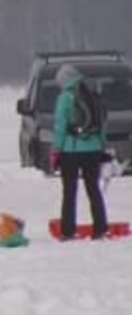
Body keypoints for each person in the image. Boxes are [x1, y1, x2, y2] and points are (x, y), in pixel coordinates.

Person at [50, 64, 108, 240]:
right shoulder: (93, 95)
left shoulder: (65, 98)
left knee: (69, 191)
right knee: (93, 189)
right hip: (93, 149)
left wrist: (56, 150)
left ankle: (68, 231)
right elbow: (102, 123)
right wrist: (101, 146)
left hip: (71, 150)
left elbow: (60, 126)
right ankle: (100, 229)